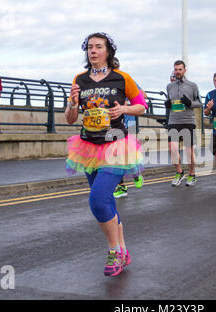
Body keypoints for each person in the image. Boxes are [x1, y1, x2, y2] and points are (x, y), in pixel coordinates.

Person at [65, 32, 148, 277]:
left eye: (98, 47)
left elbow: (142, 105)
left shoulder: (122, 78)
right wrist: (72, 102)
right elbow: (70, 119)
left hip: (115, 145)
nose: (93, 51)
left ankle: (113, 250)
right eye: (89, 47)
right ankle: (123, 249)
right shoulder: (79, 79)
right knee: (107, 201)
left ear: (108, 51)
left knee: (98, 200)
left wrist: (123, 108)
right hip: (88, 147)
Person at [165, 60, 203, 187]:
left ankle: (192, 175)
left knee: (189, 151)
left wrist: (189, 103)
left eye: (180, 69)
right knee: (172, 149)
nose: (177, 72)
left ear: (184, 70)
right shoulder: (169, 86)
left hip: (187, 121)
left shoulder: (192, 85)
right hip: (173, 121)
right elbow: (168, 101)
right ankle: (179, 172)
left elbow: (199, 103)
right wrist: (167, 105)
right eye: (176, 69)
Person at [112, 57, 145, 198]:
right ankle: (121, 186)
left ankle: (137, 175)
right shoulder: (106, 83)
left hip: (129, 122)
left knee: (128, 155)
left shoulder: (125, 79)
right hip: (113, 124)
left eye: (116, 68)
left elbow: (143, 96)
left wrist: (126, 103)